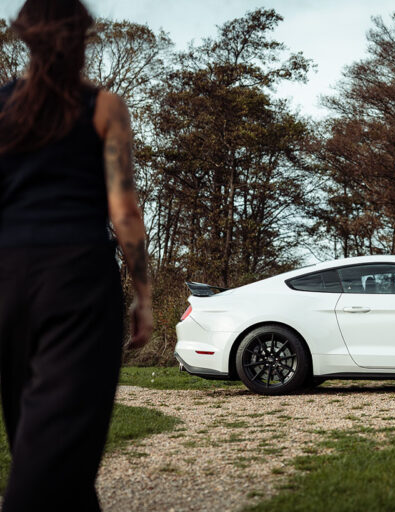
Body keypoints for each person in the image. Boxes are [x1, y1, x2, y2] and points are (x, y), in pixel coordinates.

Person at [0, 0, 153, 509]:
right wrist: (144, 296)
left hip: (6, 279)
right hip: (75, 284)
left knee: (42, 443)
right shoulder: (104, 107)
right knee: (54, 456)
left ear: (25, 37)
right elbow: (125, 213)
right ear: (84, 40)